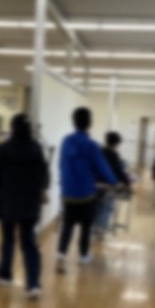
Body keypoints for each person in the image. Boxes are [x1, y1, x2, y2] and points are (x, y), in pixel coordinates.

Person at [0, 114, 49, 299]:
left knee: (8, 240)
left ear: (12, 129)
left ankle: (5, 274)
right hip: (30, 204)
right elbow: (45, 178)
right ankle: (33, 284)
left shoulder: (4, 150)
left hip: (8, 204)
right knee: (29, 242)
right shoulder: (37, 149)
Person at [57, 107, 118, 272]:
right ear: (89, 123)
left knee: (67, 225)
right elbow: (102, 167)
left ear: (73, 122)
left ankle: (61, 256)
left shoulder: (66, 141)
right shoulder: (91, 145)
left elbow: (61, 165)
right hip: (86, 194)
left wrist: (64, 184)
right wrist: (114, 181)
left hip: (68, 193)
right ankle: (83, 256)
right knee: (85, 226)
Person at [93, 131, 132, 238]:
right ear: (116, 143)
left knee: (96, 206)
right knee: (107, 207)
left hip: (95, 183)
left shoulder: (99, 151)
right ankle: (100, 230)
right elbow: (119, 171)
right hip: (108, 185)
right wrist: (127, 182)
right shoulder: (114, 155)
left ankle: (94, 229)